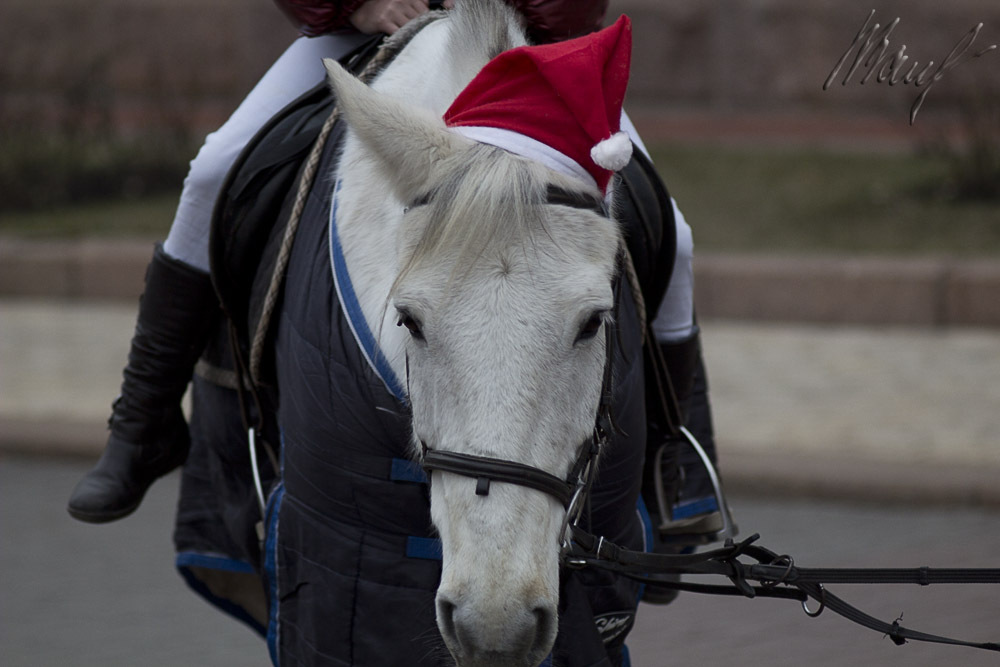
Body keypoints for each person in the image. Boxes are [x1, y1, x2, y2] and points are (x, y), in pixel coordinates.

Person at [67, 0, 720, 565]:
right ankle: (143, 421)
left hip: (534, 50)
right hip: (363, 32)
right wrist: (356, 5)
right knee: (213, 172)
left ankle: (676, 457)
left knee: (677, 238)